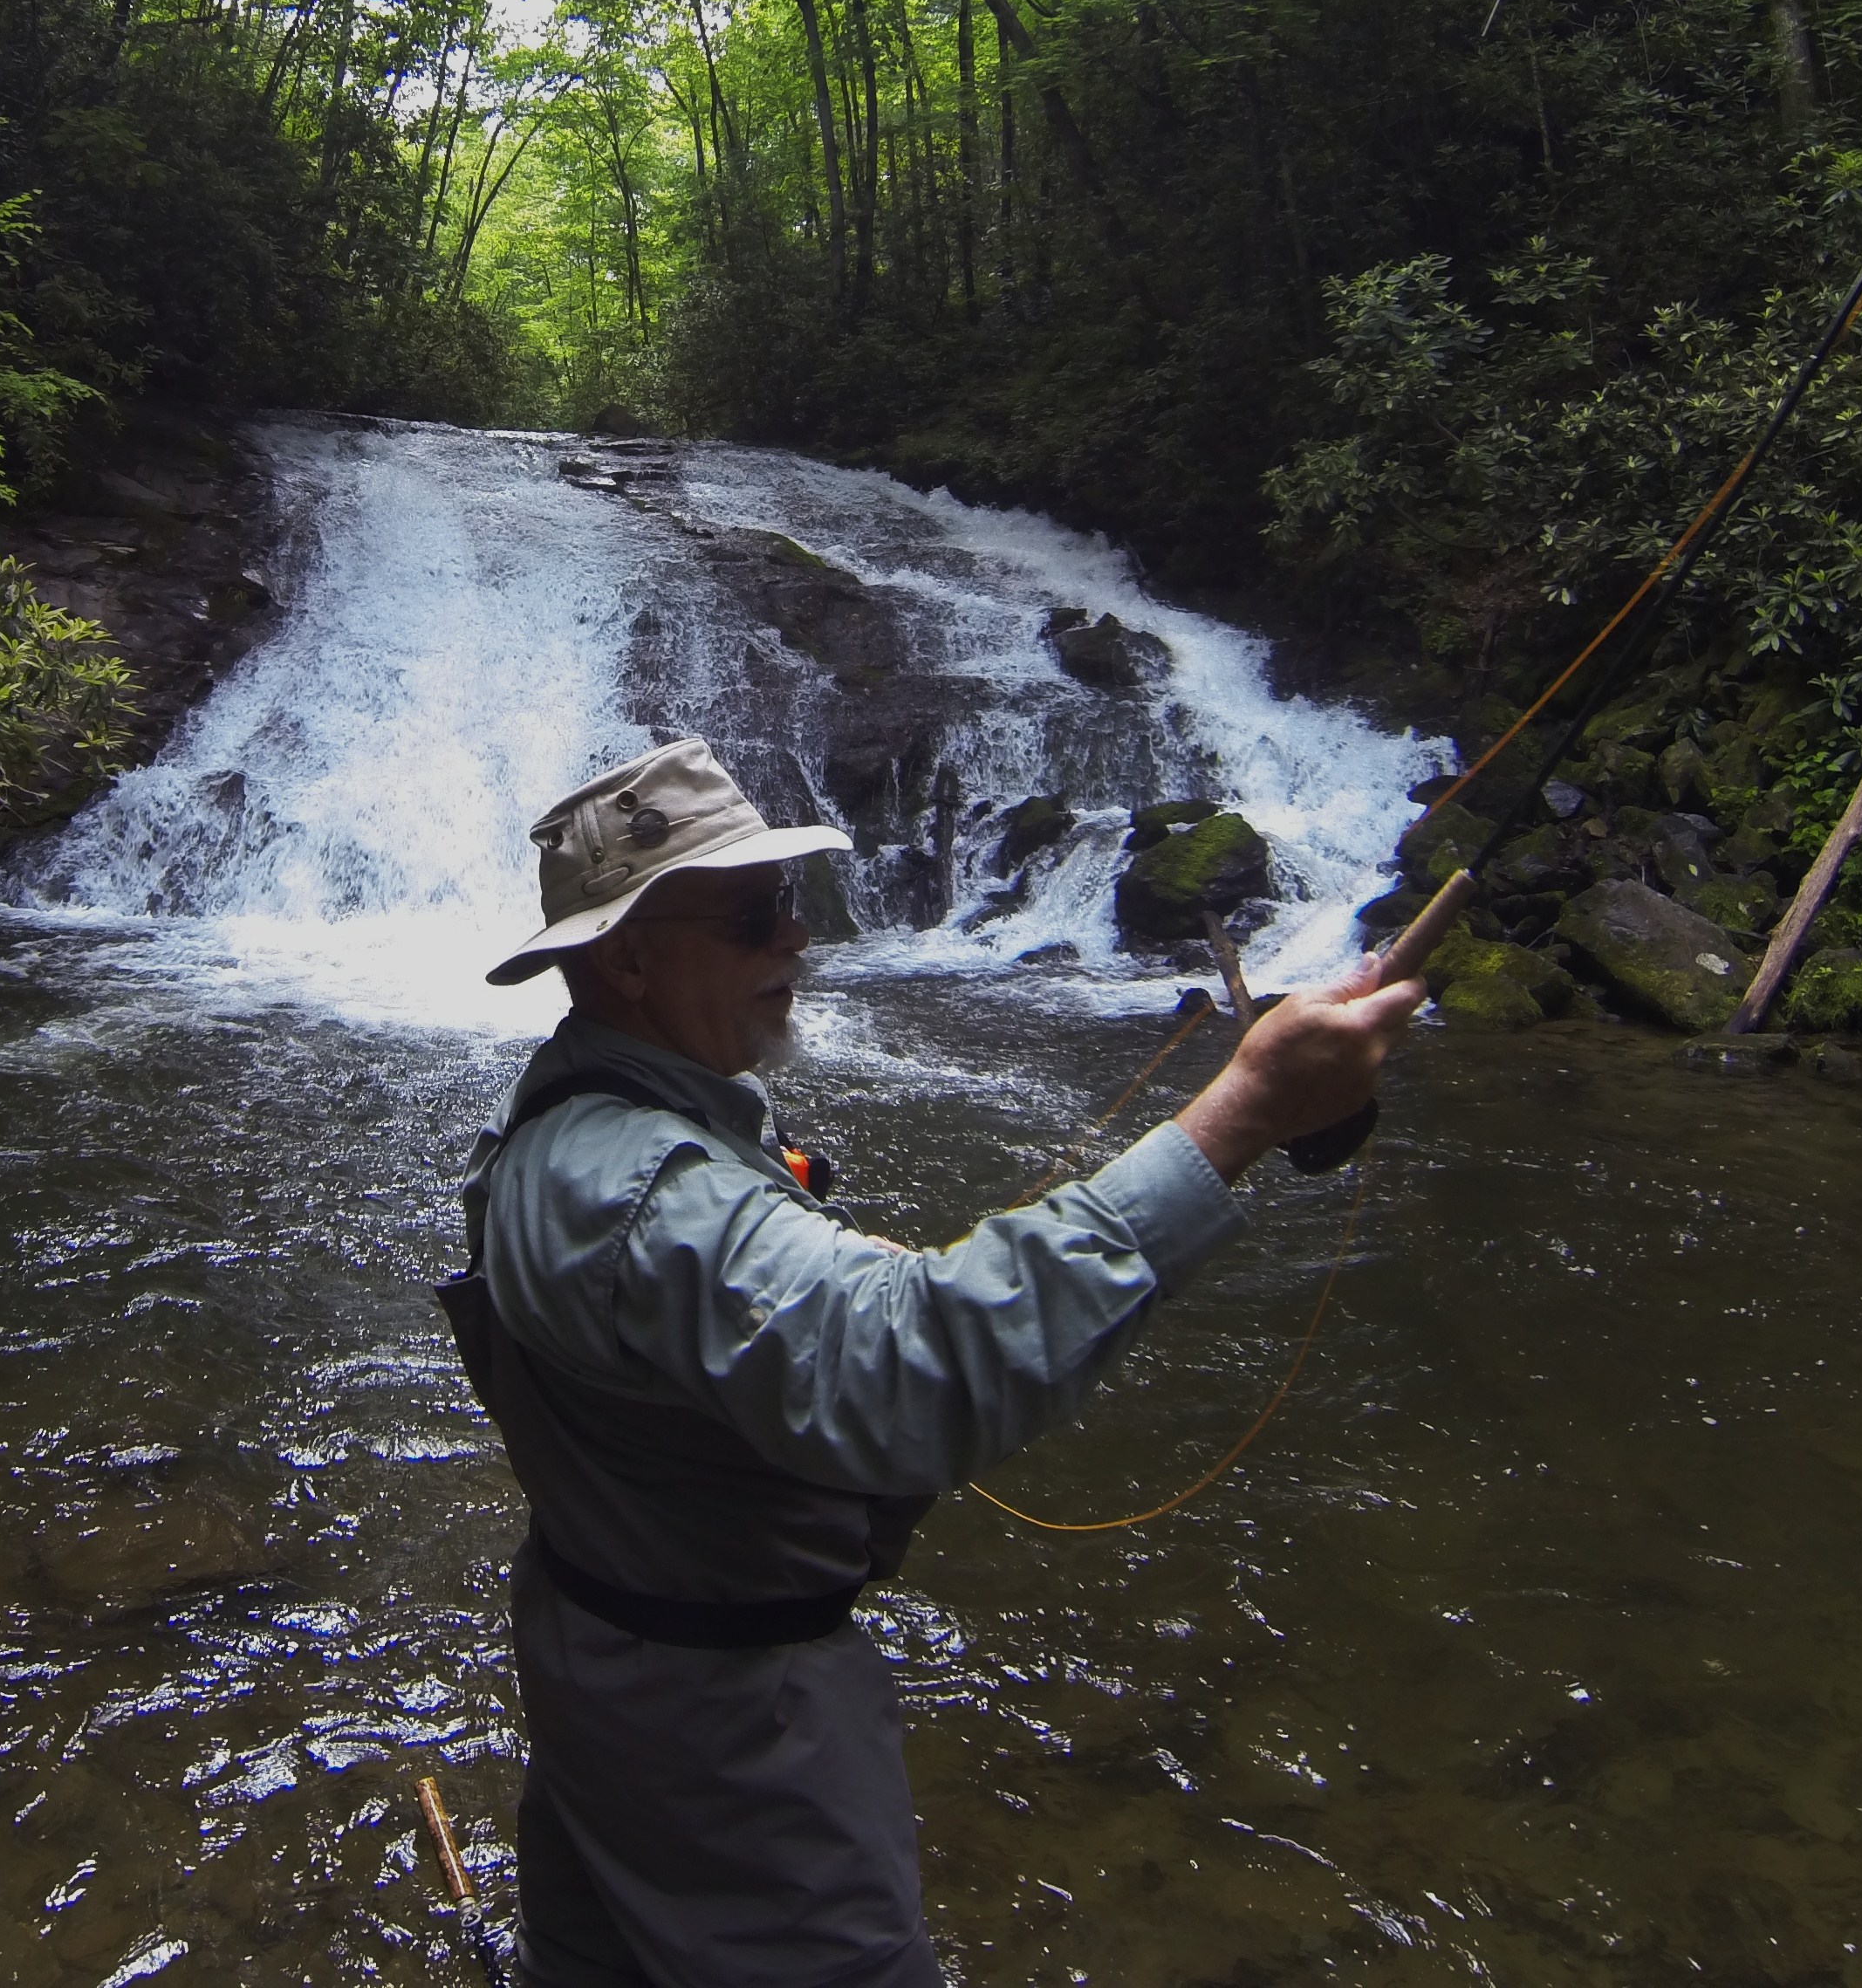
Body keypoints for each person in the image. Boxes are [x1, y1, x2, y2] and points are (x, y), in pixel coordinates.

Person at [442, 736, 1419, 1988]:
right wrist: (1243, 1116)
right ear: (626, 957)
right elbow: (915, 1368)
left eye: (790, 904)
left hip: (609, 1658)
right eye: (753, 914)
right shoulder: (634, 1182)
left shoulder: (603, 1126)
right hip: (723, 1729)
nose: (795, 940)